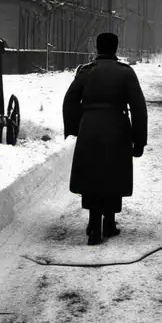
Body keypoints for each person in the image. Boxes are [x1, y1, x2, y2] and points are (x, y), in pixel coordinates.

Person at [63, 32, 147, 245]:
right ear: (116, 48)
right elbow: (138, 108)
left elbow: (70, 99)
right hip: (117, 129)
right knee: (113, 173)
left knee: (92, 174)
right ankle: (109, 222)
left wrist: (75, 127)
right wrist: (139, 139)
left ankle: (93, 224)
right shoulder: (126, 73)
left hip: (90, 128)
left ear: (97, 48)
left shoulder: (85, 72)